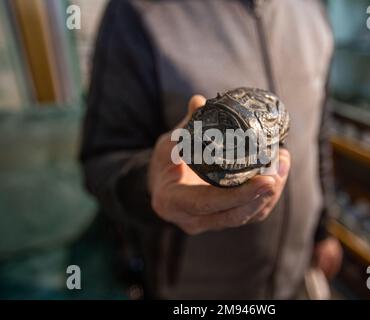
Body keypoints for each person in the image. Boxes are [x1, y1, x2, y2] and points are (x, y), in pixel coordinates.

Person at [80, 0, 342, 299]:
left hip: (294, 276)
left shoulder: (313, 11)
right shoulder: (137, 11)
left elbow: (317, 136)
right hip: (194, 290)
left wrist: (323, 229)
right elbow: (102, 159)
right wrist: (150, 185)